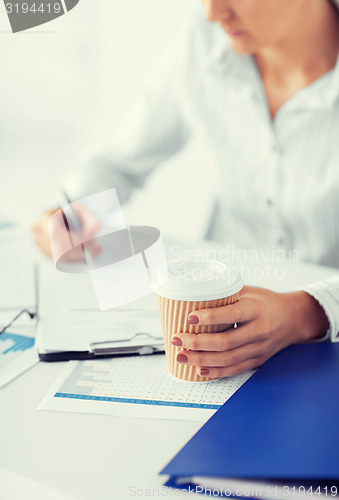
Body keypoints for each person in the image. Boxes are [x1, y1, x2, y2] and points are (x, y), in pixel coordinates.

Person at [32, 0, 339, 379]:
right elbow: (121, 160)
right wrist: (73, 214)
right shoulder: (203, 40)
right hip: (213, 334)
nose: (213, 12)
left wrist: (305, 311)